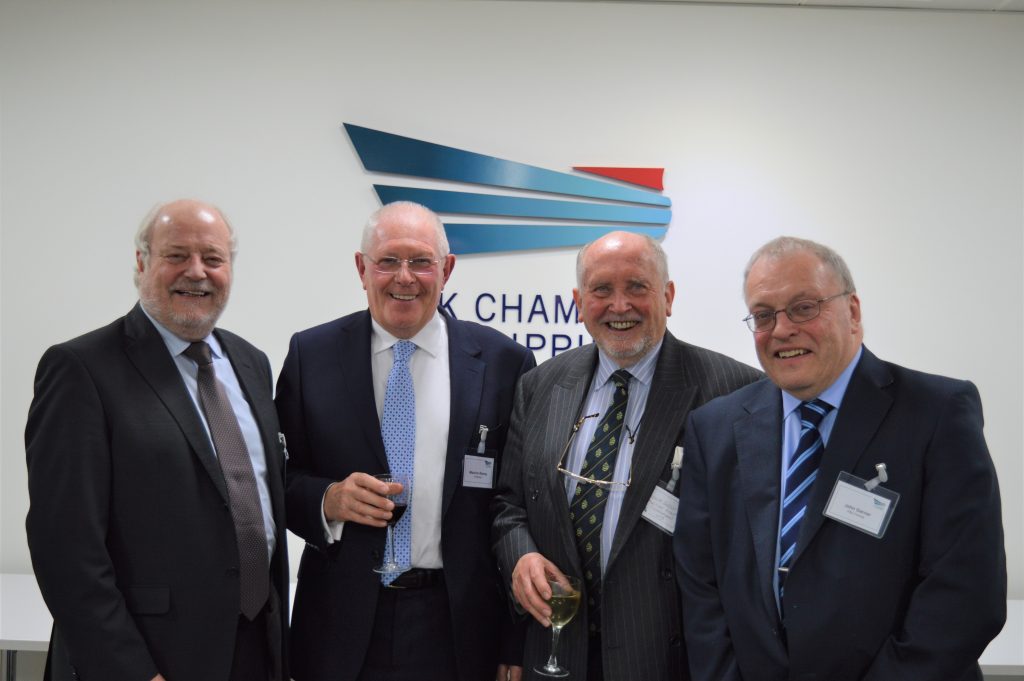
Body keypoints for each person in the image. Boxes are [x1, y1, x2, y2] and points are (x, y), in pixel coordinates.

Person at [674, 236, 1006, 681]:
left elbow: (966, 594)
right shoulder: (714, 429)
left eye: (804, 307)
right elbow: (702, 588)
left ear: (852, 312)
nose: (783, 329)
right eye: (763, 315)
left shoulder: (937, 413)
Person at [25, 199, 289, 681]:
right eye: (176, 255)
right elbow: (65, 548)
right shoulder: (82, 370)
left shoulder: (251, 363)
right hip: (148, 659)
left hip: (254, 650)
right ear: (142, 262)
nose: (197, 272)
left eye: (212, 258)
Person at [278, 201, 536, 681]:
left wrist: (515, 641)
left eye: (421, 262)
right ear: (362, 268)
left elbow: (518, 506)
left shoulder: (505, 364)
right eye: (388, 261)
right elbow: (277, 483)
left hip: (462, 632)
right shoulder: (309, 356)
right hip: (339, 626)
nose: (405, 277)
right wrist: (328, 500)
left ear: (447, 269)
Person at [492, 231, 762, 681]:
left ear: (668, 296)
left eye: (637, 287)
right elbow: (509, 505)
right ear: (579, 302)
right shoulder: (539, 386)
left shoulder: (734, 392)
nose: (620, 306)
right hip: (557, 652)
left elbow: (751, 543)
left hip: (667, 658)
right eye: (602, 290)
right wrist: (520, 557)